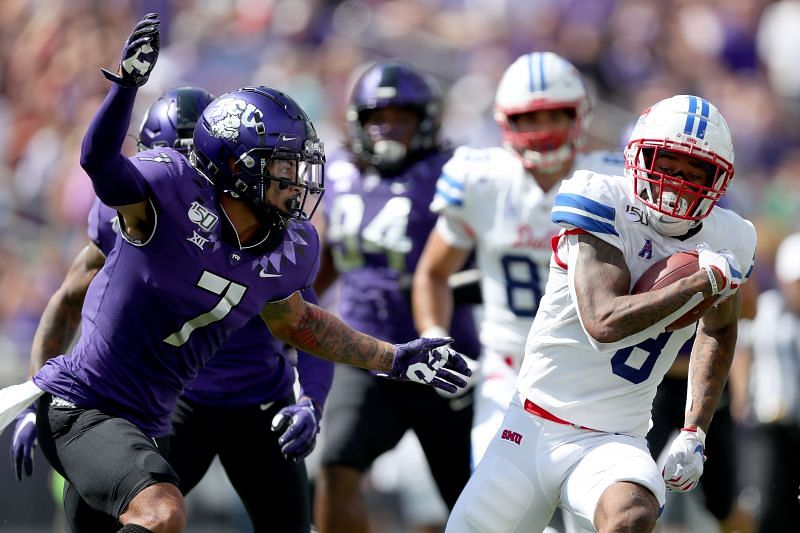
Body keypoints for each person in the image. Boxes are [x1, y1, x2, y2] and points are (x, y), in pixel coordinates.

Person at [13, 14, 471, 533]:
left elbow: (303, 326)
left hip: (159, 418)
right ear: (239, 166)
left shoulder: (290, 246)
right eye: (282, 165)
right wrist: (125, 89)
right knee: (162, 513)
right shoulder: (164, 191)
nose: (297, 180)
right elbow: (98, 165)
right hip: (91, 405)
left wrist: (390, 359)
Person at [9, 85, 335, 533]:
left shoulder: (263, 230)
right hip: (178, 405)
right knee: (119, 518)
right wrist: (40, 394)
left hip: (258, 399)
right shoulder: (136, 212)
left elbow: (310, 325)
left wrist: (310, 400)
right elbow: (72, 302)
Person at [445, 94, 757, 533]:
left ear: (718, 183)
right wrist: (698, 282)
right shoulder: (600, 197)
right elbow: (603, 321)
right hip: (531, 424)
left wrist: (694, 430)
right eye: (667, 165)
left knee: (631, 513)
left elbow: (720, 330)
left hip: (614, 439)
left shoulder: (731, 238)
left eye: (694, 173)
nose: (677, 183)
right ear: (638, 157)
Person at [413, 51, 625, 467]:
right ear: (507, 122)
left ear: (578, 117)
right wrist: (435, 336)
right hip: (509, 368)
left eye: (554, 116)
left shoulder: (613, 183)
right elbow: (433, 273)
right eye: (530, 118)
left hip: (595, 371)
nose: (543, 131)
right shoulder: (483, 180)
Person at [312, 59, 481, 533]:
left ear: (424, 121)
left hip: (445, 358)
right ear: (358, 122)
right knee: (337, 467)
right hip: (368, 356)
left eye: (401, 117)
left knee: (474, 497)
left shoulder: (452, 172)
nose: (388, 127)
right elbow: (324, 260)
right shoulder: (339, 173)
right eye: (377, 117)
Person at [729, 232, 800, 533]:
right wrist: (740, 396)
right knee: (767, 500)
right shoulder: (767, 309)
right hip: (767, 421)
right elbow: (742, 350)